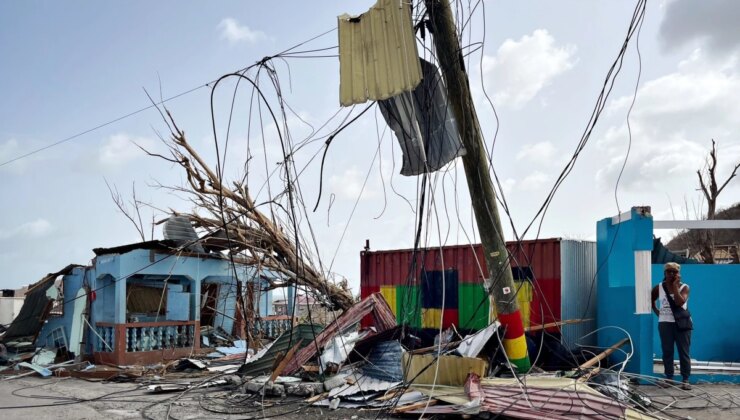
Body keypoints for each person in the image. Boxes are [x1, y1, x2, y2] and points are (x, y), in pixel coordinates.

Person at [651, 262, 692, 390]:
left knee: (683, 352)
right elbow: (651, 299)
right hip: (665, 324)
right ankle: (669, 378)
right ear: (665, 273)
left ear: (679, 274)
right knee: (667, 352)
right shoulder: (659, 287)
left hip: (682, 324)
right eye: (669, 272)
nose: (672, 274)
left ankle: (685, 379)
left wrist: (674, 286)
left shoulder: (684, 287)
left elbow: (680, 302)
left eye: (675, 272)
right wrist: (657, 311)